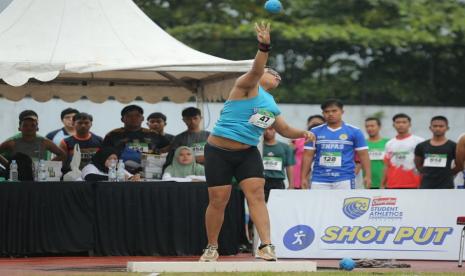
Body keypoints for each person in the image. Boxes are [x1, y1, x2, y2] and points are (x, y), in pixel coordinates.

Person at [199, 22, 314, 262]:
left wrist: (303, 133)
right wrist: (264, 47)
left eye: (280, 77)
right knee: (219, 200)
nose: (277, 77)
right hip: (219, 151)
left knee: (257, 196)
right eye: (274, 72)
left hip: (247, 152)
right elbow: (256, 68)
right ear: (263, 74)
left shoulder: (271, 103)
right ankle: (211, 247)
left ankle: (266, 246)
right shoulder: (246, 85)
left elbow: (284, 129)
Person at [301, 99, 371, 190]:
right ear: (323, 113)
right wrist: (303, 177)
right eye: (327, 112)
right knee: (320, 204)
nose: (330, 114)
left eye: (334, 111)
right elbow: (307, 156)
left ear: (342, 112)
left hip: (345, 178)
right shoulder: (314, 132)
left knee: (344, 204)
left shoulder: (355, 131)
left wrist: (368, 176)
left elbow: (364, 155)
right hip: (319, 178)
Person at [102, 105, 170, 171]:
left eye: (137, 115)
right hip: (120, 172)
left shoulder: (153, 134)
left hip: (148, 172)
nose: (134, 118)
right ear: (122, 119)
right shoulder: (113, 135)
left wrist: (159, 152)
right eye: (129, 116)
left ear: (142, 118)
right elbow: (104, 153)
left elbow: (169, 148)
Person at [0, 112, 66, 163]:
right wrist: (8, 166)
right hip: (17, 178)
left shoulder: (44, 142)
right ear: (19, 128)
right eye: (25, 125)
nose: (29, 128)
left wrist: (47, 165)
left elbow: (63, 155)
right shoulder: (12, 143)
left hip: (39, 178)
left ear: (37, 128)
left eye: (32, 125)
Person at [414, 116, 458, 189]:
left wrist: (449, 173)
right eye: (435, 126)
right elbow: (418, 164)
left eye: (441, 126)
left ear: (447, 128)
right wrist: (427, 173)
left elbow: (459, 164)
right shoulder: (421, 146)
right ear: (430, 128)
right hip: (426, 185)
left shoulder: (453, 146)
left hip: (446, 185)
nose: (438, 128)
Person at [382, 113, 424, 189]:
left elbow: (424, 164)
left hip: (414, 184)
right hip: (392, 185)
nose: (401, 125)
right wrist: (382, 184)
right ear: (393, 125)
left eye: (404, 122)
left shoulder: (419, 141)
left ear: (409, 124)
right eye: (398, 122)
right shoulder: (389, 144)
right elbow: (386, 166)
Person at [290, 115, 325, 189]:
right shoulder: (296, 141)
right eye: (313, 123)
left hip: (321, 180)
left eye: (319, 124)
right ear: (308, 124)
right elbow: (288, 160)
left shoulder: (330, 142)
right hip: (299, 180)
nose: (315, 126)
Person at [262, 127, 295, 201]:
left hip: (278, 182)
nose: (267, 132)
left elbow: (289, 166)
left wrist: (291, 185)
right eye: (264, 129)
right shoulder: (258, 147)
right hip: (261, 181)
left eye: (270, 129)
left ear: (275, 130)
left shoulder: (285, 147)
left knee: (277, 205)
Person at [364, 117, 389, 189]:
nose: (369, 128)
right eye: (367, 126)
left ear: (379, 127)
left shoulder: (388, 143)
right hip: (369, 183)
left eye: (372, 126)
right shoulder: (362, 144)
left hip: (386, 184)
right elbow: (358, 162)